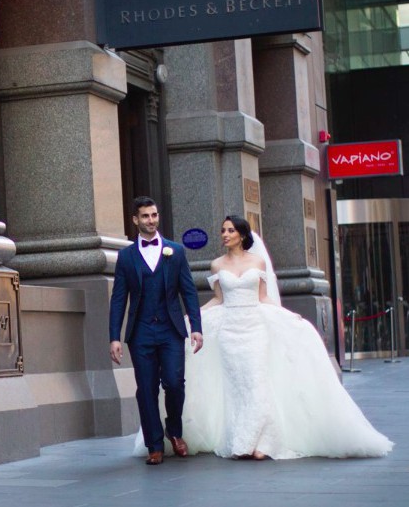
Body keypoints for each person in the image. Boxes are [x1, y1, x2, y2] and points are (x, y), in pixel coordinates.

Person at [151, 215, 393, 460]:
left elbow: (263, 296)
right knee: (237, 386)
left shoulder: (257, 262)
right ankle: (241, 439)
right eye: (223, 230)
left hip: (255, 327)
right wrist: (194, 316)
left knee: (256, 382)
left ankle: (262, 441)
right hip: (229, 331)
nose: (225, 234)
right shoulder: (216, 265)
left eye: (230, 230)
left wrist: (287, 315)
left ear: (242, 235)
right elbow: (218, 298)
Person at [109, 196, 204, 465]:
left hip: (171, 330)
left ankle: (174, 430)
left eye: (154, 215)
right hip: (140, 334)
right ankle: (154, 443)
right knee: (147, 388)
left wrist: (196, 327)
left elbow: (188, 291)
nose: (151, 220)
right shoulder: (126, 257)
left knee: (174, 384)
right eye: (146, 216)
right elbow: (118, 298)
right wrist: (114, 337)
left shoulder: (176, 251)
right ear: (135, 220)